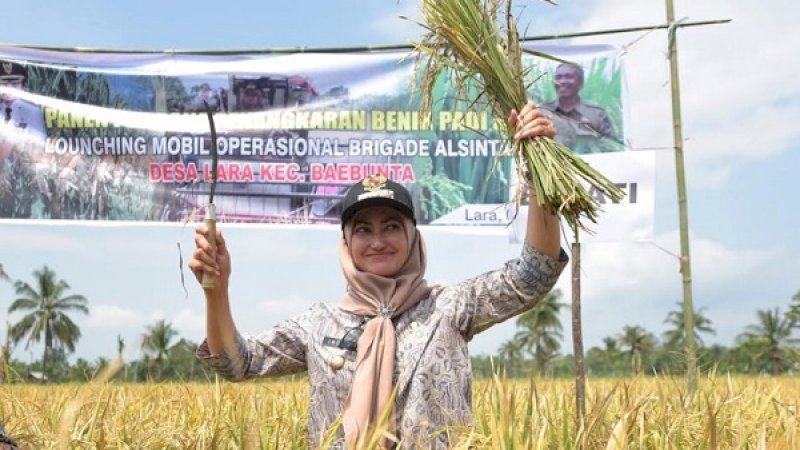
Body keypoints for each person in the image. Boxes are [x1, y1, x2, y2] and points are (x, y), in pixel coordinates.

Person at [189, 102, 568, 448]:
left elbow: (533, 275)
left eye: (390, 226)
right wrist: (216, 291)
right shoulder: (319, 325)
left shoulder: (449, 307)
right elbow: (239, 363)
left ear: (412, 236)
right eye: (363, 230)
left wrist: (538, 168)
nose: (377, 241)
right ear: (346, 242)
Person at [0, 60, 47, 218]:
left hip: (25, 179)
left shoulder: (33, 112)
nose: (8, 90)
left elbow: (39, 149)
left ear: (23, 86)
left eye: (14, 84)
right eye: (3, 84)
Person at [540, 63, 620, 154]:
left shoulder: (597, 114)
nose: (562, 81)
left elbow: (612, 147)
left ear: (580, 83)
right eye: (558, 77)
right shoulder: (542, 112)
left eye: (568, 77)